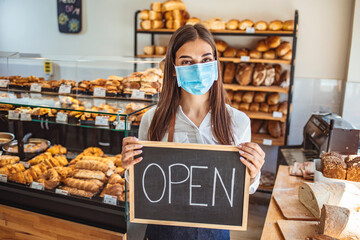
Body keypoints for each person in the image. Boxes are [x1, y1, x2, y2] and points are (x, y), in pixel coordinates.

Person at [122, 24, 265, 240]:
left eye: (206, 60)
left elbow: (243, 190)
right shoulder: (153, 119)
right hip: (163, 232)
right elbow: (144, 186)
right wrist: (130, 169)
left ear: (215, 64)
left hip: (215, 233)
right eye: (187, 62)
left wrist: (253, 173)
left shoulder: (238, 122)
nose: (198, 68)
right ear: (173, 68)